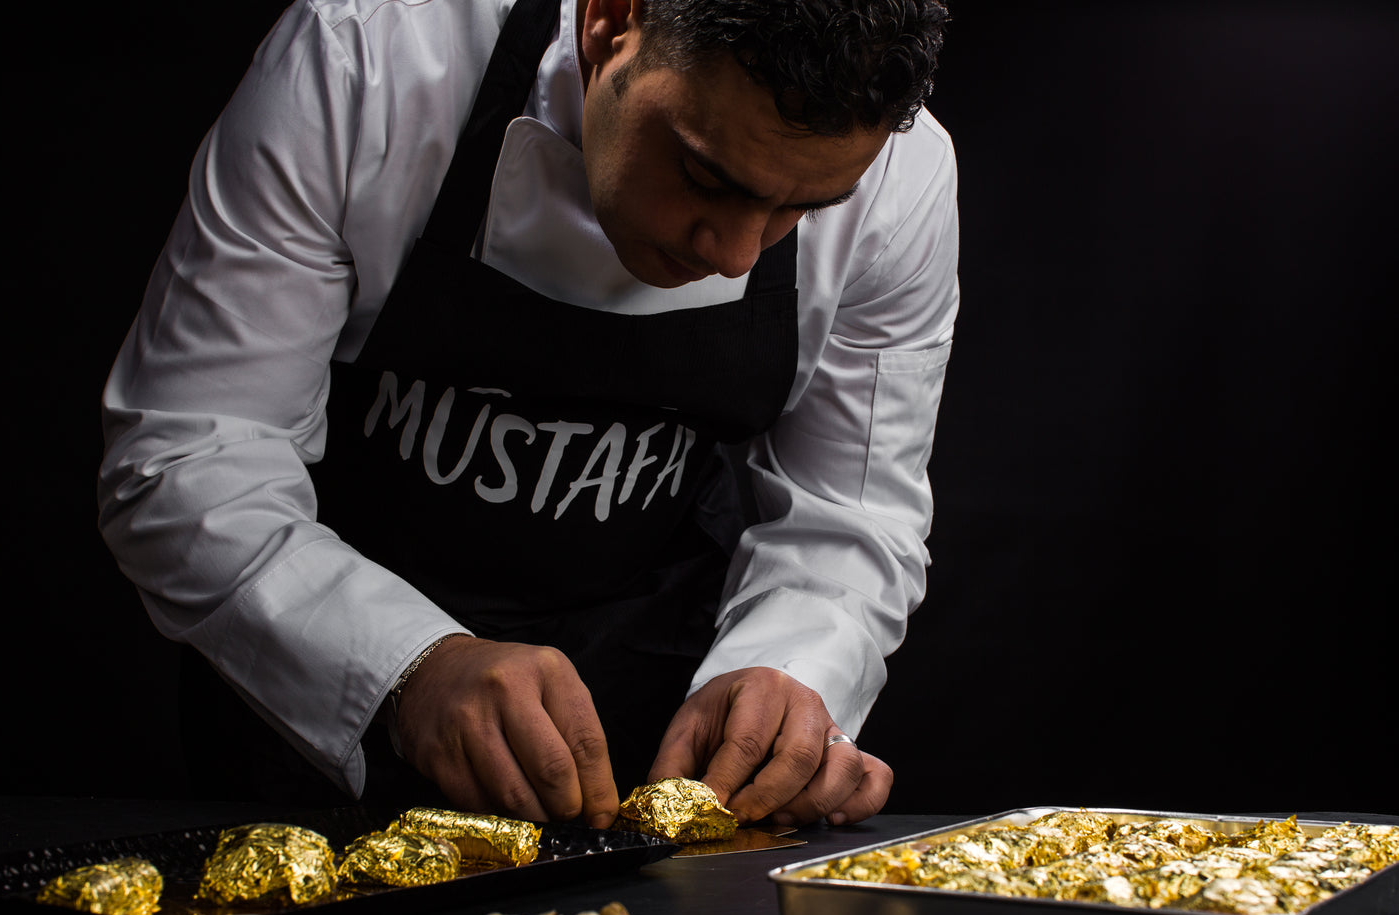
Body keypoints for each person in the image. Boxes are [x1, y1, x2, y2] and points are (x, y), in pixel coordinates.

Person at [98, 0, 958, 829]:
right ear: (611, 22)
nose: (735, 254)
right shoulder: (369, 58)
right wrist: (408, 663)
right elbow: (192, 454)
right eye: (704, 175)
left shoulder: (901, 179)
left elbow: (850, 512)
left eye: (801, 209)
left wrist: (784, 675)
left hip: (651, 714)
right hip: (322, 703)